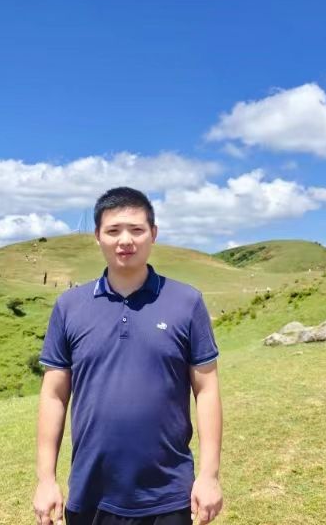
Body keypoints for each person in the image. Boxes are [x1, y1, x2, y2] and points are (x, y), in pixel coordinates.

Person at [33, 187, 223, 525]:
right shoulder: (69, 306)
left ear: (153, 234)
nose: (125, 240)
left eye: (136, 229)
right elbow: (54, 394)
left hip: (169, 495)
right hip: (91, 492)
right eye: (113, 230)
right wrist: (46, 479)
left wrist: (209, 476)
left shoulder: (187, 302)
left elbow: (206, 390)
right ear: (97, 236)